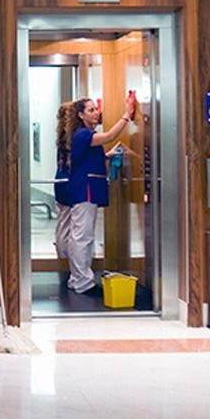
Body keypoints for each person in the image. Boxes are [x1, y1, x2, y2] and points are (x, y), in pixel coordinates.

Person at [65, 93, 136, 294]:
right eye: (91, 110)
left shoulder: (84, 135)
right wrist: (126, 115)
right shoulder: (83, 134)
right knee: (82, 237)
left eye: (96, 110)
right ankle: (82, 282)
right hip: (84, 190)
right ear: (80, 115)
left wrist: (107, 155)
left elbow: (87, 158)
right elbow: (109, 136)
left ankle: (77, 278)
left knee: (81, 235)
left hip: (85, 188)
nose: (96, 113)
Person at [53, 101, 75, 265]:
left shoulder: (62, 135)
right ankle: (64, 260)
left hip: (60, 182)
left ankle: (62, 256)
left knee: (63, 222)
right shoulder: (73, 136)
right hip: (68, 184)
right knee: (68, 225)